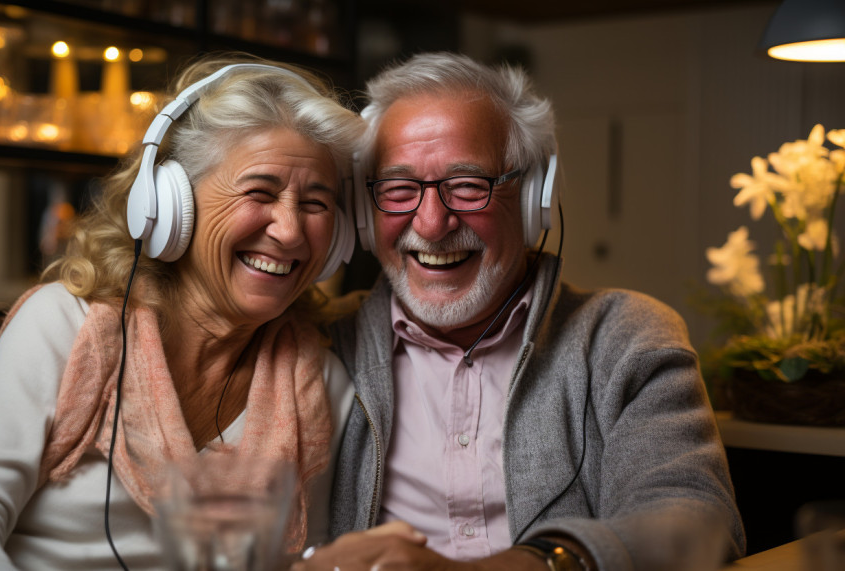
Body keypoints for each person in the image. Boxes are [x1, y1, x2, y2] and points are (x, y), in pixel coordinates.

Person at [0, 54, 364, 570]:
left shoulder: (320, 381)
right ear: (168, 204)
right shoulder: (61, 326)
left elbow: (307, 557)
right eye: (260, 192)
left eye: (316, 204)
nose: (291, 231)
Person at [299, 52, 746, 570]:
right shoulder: (322, 341)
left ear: (535, 198)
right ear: (364, 209)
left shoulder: (626, 336)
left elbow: (696, 522)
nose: (432, 222)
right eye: (399, 188)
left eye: (467, 184)